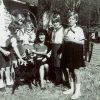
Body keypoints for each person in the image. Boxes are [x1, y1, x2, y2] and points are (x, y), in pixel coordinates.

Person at [62, 11, 85, 99]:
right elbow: (64, 41)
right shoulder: (66, 29)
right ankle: (72, 89)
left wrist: (72, 39)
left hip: (76, 52)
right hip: (68, 52)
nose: (70, 20)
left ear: (76, 20)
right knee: (69, 70)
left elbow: (82, 42)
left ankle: (78, 91)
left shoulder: (79, 29)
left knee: (76, 71)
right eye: (69, 18)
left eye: (72, 19)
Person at [49, 13, 64, 86]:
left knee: (59, 65)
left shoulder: (62, 30)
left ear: (60, 22)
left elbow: (63, 41)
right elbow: (52, 40)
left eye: (56, 22)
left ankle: (61, 80)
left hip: (60, 47)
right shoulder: (53, 30)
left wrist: (62, 52)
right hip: (54, 47)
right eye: (53, 22)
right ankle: (56, 79)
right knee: (54, 65)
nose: (55, 24)